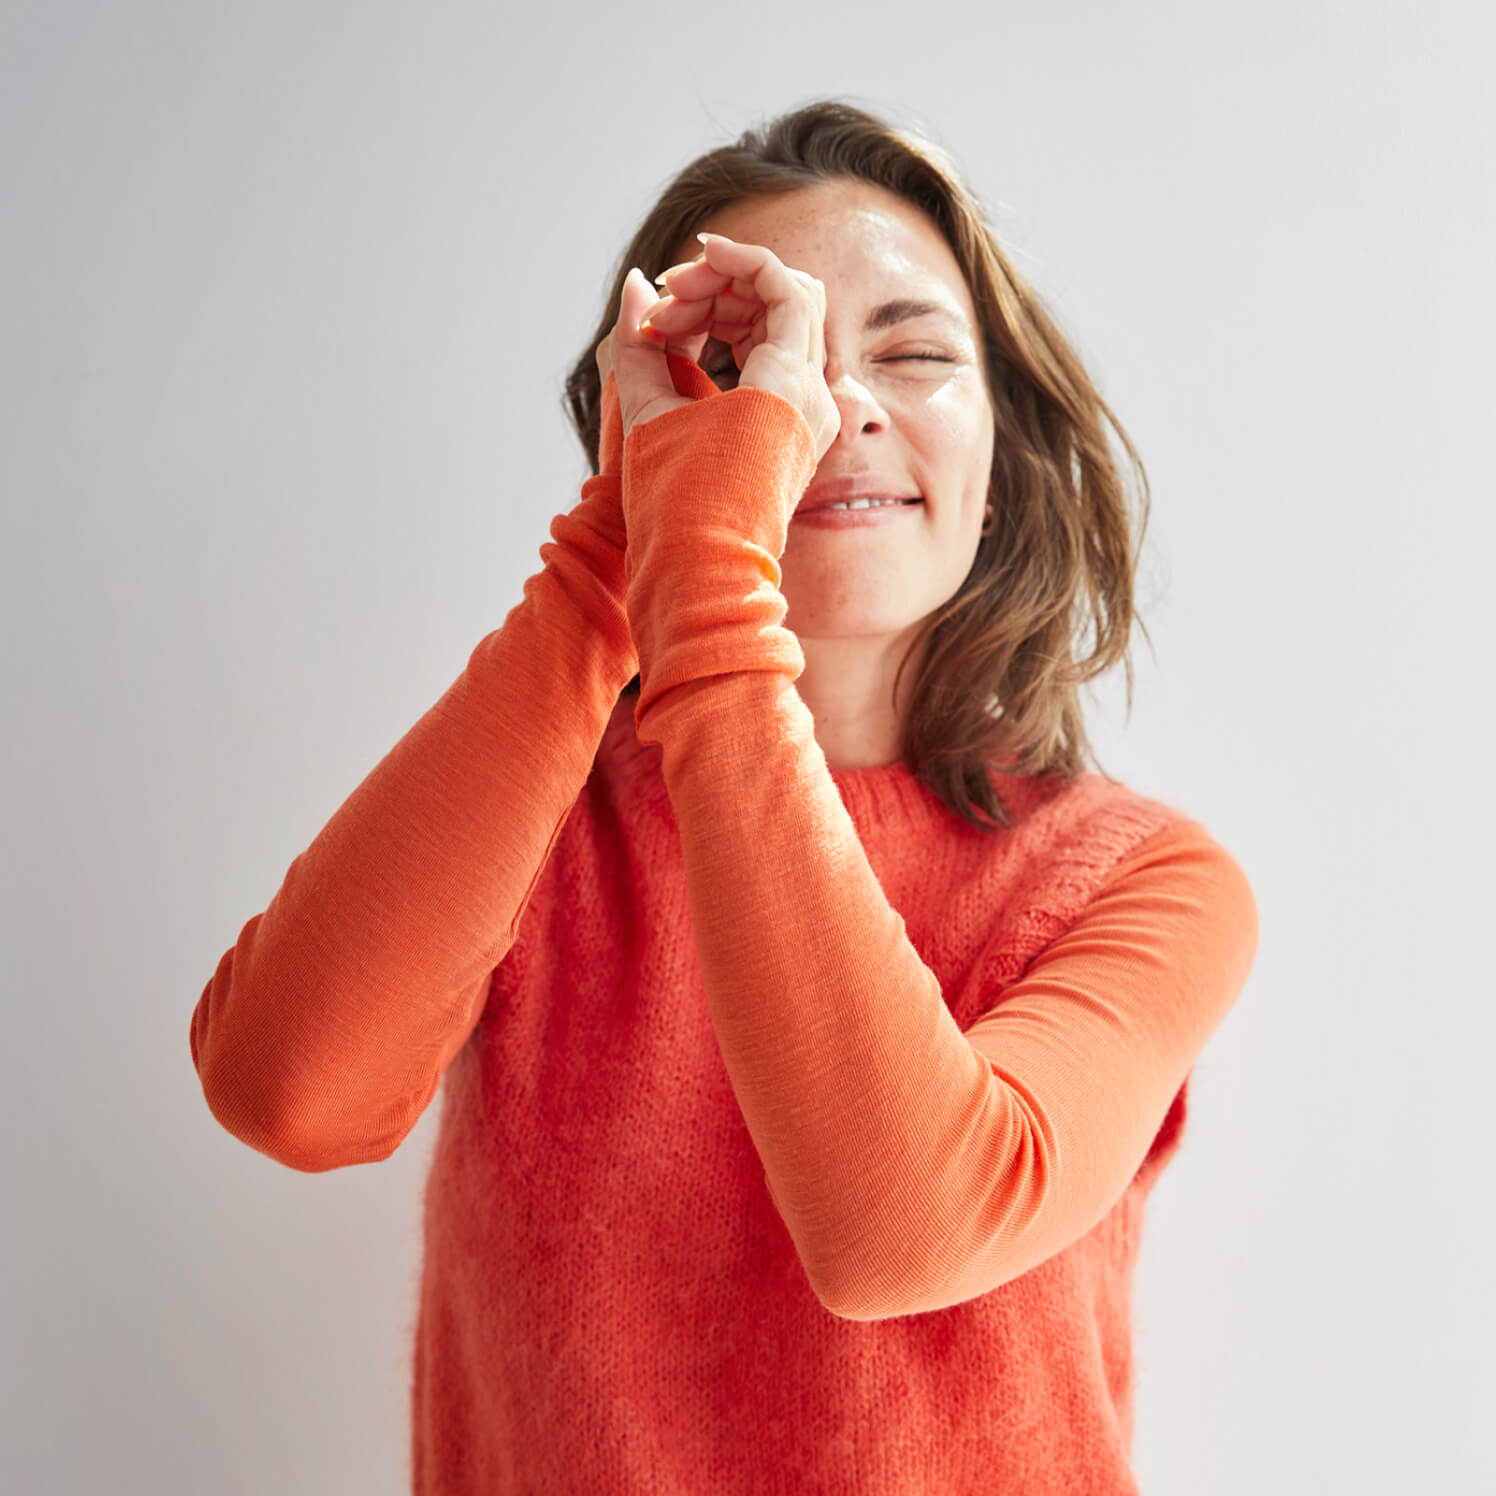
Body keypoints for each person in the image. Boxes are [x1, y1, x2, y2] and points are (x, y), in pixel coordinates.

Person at [190, 98, 1259, 1494]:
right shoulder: (534, 826)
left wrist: (701, 612)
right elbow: (289, 1090)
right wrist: (611, 560)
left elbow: (902, 1234)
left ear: (996, 468)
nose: (835, 404)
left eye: (913, 353)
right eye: (753, 365)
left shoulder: (1139, 878)